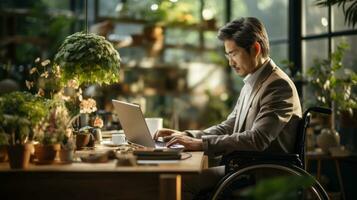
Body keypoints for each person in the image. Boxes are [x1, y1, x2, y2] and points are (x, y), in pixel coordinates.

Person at [154, 17, 302, 199]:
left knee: (179, 183)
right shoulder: (254, 81)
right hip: (243, 169)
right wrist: (188, 136)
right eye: (228, 55)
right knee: (178, 179)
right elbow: (229, 126)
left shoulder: (277, 85)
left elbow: (257, 139)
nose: (230, 62)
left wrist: (201, 144)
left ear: (255, 49)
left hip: (260, 176)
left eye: (234, 54)